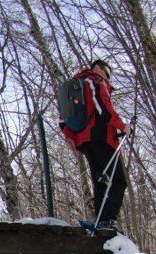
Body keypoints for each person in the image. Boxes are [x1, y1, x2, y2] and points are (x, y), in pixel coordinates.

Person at [60, 59, 131, 232]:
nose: (108, 79)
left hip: (84, 142)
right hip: (102, 138)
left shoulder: (75, 86)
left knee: (101, 181)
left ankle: (101, 220)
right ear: (98, 68)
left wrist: (69, 136)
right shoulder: (94, 80)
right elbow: (103, 106)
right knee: (119, 180)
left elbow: (63, 117)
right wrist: (122, 126)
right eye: (107, 74)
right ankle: (108, 220)